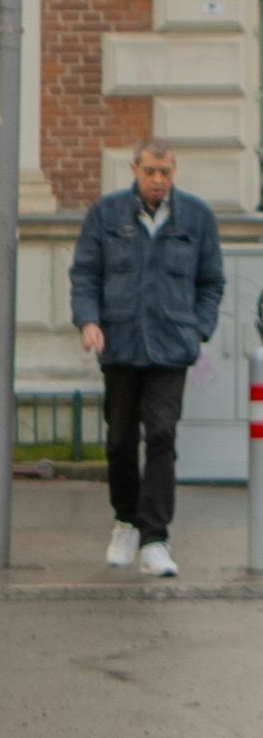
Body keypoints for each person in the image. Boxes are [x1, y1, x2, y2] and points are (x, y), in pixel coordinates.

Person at [69, 141, 224, 579]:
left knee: (161, 436)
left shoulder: (196, 218)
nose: (159, 180)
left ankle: (156, 538)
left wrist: (199, 329)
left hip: (171, 347)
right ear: (135, 169)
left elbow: (211, 282)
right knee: (119, 441)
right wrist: (88, 321)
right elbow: (85, 274)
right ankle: (126, 522)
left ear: (175, 172)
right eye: (151, 171)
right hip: (119, 344)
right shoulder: (107, 214)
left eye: (166, 172)